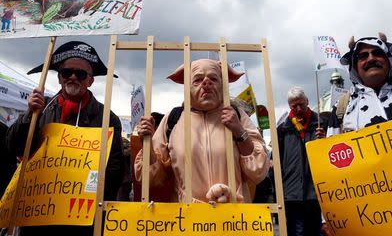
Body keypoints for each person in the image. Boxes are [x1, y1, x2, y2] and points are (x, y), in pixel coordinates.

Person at [6, 41, 124, 235]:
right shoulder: (39, 109)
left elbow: (114, 167)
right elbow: (14, 147)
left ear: (90, 80)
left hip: (80, 217)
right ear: (59, 78)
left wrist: (90, 198)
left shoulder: (107, 118)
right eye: (66, 72)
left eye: (81, 74)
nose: (73, 77)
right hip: (38, 214)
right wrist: (29, 115)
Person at [322, 33, 392, 235]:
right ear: (354, 66)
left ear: (389, 60)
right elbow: (329, 166)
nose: (371, 58)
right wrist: (328, 217)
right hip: (366, 218)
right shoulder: (343, 106)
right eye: (363, 56)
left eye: (377, 53)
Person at [134, 59, 269, 203]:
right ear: (188, 86)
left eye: (213, 78)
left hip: (233, 217)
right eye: (197, 80)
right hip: (188, 218)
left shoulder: (237, 115)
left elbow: (258, 172)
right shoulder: (173, 119)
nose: (206, 83)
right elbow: (152, 179)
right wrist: (146, 143)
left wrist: (239, 131)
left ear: (222, 84)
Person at [277, 86, 325, 236]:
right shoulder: (283, 128)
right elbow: (277, 160)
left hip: (316, 193)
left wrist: (325, 140)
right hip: (292, 193)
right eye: (294, 106)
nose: (298, 108)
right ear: (289, 106)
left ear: (307, 102)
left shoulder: (321, 123)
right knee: (296, 233)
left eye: (301, 104)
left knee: (315, 232)